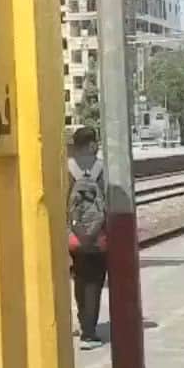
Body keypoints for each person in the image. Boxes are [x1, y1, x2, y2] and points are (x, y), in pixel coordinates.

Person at [66, 126, 107, 350]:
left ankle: (84, 324)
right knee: (94, 282)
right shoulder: (102, 168)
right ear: (91, 144)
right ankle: (89, 334)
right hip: (98, 236)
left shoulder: (67, 169)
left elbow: (65, 204)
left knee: (80, 279)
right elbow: (108, 202)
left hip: (74, 237)